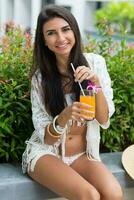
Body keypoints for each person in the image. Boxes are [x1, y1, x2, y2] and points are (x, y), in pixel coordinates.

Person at [22, 5, 123, 200]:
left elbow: (103, 119)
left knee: (114, 194)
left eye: (65, 29)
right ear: (44, 41)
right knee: (89, 196)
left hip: (81, 155)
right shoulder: (40, 79)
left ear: (75, 31)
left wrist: (96, 84)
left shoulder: (95, 63)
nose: (60, 38)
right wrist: (65, 115)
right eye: (51, 33)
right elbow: (47, 139)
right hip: (46, 153)